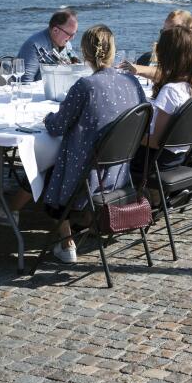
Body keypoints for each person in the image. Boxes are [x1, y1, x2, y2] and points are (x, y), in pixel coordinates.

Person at [34, 25, 147, 264]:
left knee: (44, 172)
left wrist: (46, 117)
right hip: (120, 172)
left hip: (89, 179)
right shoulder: (133, 83)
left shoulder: (85, 86)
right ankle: (87, 225)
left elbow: (57, 127)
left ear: (85, 54)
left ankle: (67, 242)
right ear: (113, 51)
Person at [131, 26, 192, 188]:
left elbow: (156, 141)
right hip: (180, 156)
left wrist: (130, 136)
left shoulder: (171, 91)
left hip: (157, 161)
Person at [122, 9, 192, 91]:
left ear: (190, 32)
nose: (166, 35)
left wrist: (138, 69)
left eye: (173, 31)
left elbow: (169, 75)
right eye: (164, 31)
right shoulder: (174, 53)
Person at [17, 9, 78, 83]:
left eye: (74, 34)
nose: (72, 38)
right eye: (70, 34)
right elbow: (25, 82)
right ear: (55, 30)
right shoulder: (34, 45)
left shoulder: (67, 44)